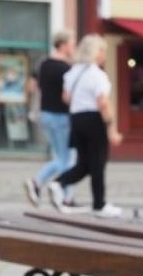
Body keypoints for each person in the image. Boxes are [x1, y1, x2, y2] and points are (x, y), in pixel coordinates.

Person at [48, 34, 124, 218]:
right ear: (96, 52)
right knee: (98, 163)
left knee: (85, 162)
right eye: (102, 50)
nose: (104, 54)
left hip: (76, 118)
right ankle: (99, 204)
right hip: (93, 119)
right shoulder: (97, 75)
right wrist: (111, 128)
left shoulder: (73, 72)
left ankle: (59, 183)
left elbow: (66, 97)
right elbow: (103, 102)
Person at [26, 31, 76, 206]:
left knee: (60, 156)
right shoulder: (66, 68)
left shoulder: (43, 63)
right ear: (62, 45)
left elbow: (32, 86)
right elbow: (67, 96)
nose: (73, 47)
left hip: (45, 114)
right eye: (71, 43)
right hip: (61, 116)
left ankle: (38, 183)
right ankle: (64, 195)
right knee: (66, 159)